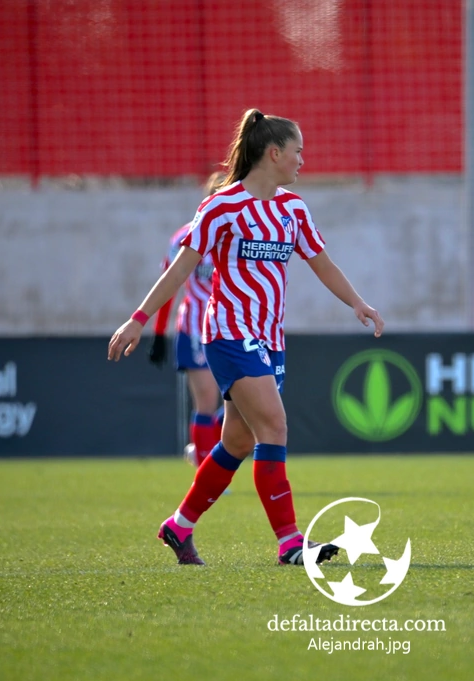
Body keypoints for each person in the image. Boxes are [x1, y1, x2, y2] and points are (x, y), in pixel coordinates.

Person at [108, 109, 385, 566]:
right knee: (274, 427)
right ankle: (291, 543)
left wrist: (357, 302)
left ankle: (178, 527)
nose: (302, 161)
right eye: (297, 151)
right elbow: (179, 268)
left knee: (237, 442)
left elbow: (322, 263)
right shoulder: (221, 206)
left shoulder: (293, 210)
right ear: (273, 153)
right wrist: (138, 319)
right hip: (229, 337)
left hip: (270, 339)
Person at [147, 172, 225, 468]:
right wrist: (158, 334)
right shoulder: (184, 238)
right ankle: (207, 469)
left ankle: (202, 448)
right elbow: (169, 285)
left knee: (242, 408)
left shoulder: (243, 234)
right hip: (195, 329)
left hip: (232, 329)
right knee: (206, 401)